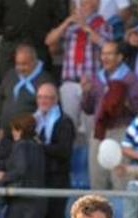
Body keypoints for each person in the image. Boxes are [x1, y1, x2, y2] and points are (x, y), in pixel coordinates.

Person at [82, 41, 138, 190]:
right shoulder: (96, 78)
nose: (105, 58)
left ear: (119, 57)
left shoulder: (131, 79)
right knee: (97, 180)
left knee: (120, 180)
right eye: (103, 54)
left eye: (110, 54)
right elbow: (88, 109)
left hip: (121, 131)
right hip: (99, 131)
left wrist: (125, 103)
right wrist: (86, 93)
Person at [46, 0, 110, 128]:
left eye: (88, 3)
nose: (83, 7)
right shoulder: (70, 27)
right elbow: (49, 41)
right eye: (82, 4)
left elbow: (107, 45)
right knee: (69, 125)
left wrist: (85, 27)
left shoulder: (102, 24)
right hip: (70, 81)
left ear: (96, 5)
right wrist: (66, 23)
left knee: (92, 126)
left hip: (92, 83)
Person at [34, 82, 75, 218]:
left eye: (48, 98)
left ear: (56, 99)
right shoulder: (34, 120)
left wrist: (40, 146)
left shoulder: (64, 121)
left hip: (56, 179)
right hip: (38, 180)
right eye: (40, 97)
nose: (43, 101)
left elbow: (64, 150)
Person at [0, 0, 64, 76]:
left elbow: (58, 22)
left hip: (39, 49)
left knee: (37, 84)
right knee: (9, 84)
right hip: (10, 48)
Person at [0, 44, 54, 133]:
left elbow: (49, 110)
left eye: (24, 64)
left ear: (34, 62)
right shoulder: (11, 75)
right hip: (7, 133)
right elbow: (1, 98)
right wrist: (1, 126)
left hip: (30, 134)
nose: (20, 68)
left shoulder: (44, 80)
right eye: (18, 64)